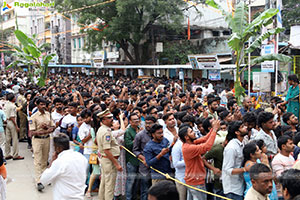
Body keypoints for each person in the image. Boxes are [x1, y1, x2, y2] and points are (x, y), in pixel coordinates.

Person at [180, 120, 220, 200]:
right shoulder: (188, 148)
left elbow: (205, 138)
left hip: (193, 180)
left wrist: (213, 128)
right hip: (196, 182)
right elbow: (207, 146)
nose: (194, 132)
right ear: (186, 137)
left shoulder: (191, 143)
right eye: (191, 132)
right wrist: (215, 130)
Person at [40, 134, 87, 200]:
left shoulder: (59, 162)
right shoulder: (82, 158)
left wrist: (52, 162)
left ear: (58, 148)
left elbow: (43, 180)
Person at [29, 97, 55, 191]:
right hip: (37, 140)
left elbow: (53, 127)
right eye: (41, 104)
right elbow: (32, 132)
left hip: (47, 139)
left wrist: (47, 128)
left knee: (45, 159)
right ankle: (38, 180)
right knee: (38, 160)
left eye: (44, 104)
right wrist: (43, 130)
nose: (43, 106)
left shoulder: (48, 114)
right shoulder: (34, 117)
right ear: (37, 105)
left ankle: (44, 178)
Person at [96, 109, 122, 200]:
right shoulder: (106, 132)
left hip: (106, 160)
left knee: (104, 184)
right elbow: (106, 150)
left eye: (111, 117)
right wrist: (117, 164)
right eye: (109, 118)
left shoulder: (102, 129)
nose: (112, 119)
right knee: (109, 187)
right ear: (103, 120)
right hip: (109, 161)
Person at [222, 121, 248, 200]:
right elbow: (228, 169)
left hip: (240, 184)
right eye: (242, 127)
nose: (246, 127)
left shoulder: (243, 142)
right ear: (237, 132)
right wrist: (244, 169)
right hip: (233, 188)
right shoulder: (231, 148)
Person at [133, 115, 157, 200]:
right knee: (145, 190)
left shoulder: (158, 134)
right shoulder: (139, 135)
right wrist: (143, 158)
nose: (147, 125)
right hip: (144, 168)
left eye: (150, 123)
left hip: (156, 167)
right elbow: (135, 150)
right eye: (146, 123)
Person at [272, 135, 295, 200]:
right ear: (283, 146)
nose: (293, 145)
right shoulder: (277, 159)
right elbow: (281, 177)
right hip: (282, 194)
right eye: (290, 144)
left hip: (291, 191)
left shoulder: (291, 157)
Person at [124, 113, 140, 200]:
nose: (137, 121)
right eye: (134, 119)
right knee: (131, 181)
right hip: (131, 160)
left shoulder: (139, 129)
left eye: (137, 119)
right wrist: (137, 138)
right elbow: (128, 145)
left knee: (137, 181)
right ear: (130, 121)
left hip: (139, 159)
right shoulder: (128, 131)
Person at [4, 93, 24, 160]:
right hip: (12, 122)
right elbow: (12, 117)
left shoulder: (6, 104)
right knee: (15, 139)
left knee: (7, 139)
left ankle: (7, 154)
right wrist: (16, 126)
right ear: (13, 98)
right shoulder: (13, 106)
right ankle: (15, 154)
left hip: (7, 122)